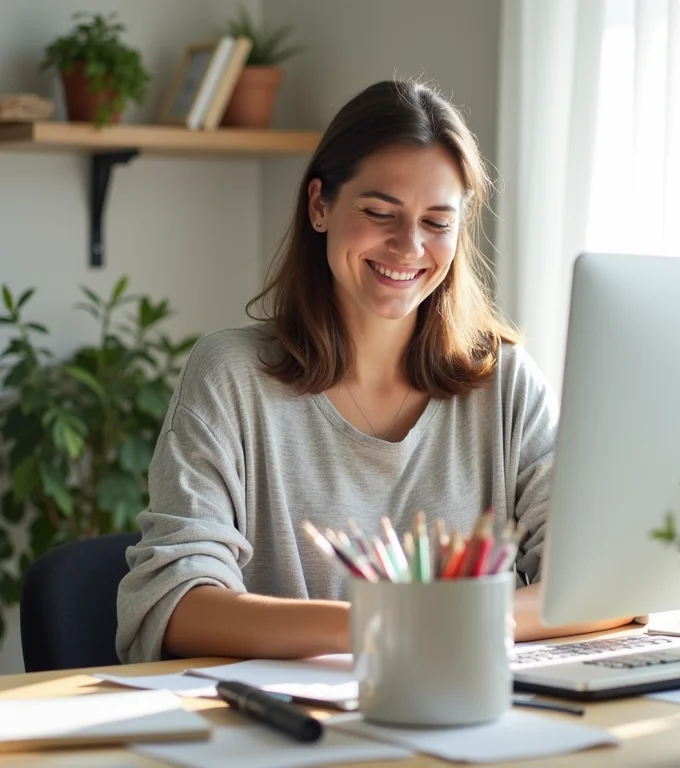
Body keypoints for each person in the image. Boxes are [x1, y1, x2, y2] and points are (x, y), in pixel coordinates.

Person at [116, 79, 630, 664]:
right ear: (319, 205)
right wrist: (382, 625)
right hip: (296, 730)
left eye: (438, 222)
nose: (408, 245)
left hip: (469, 714)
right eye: (379, 212)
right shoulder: (231, 376)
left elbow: (601, 582)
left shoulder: (505, 384)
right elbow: (175, 604)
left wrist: (451, 625)